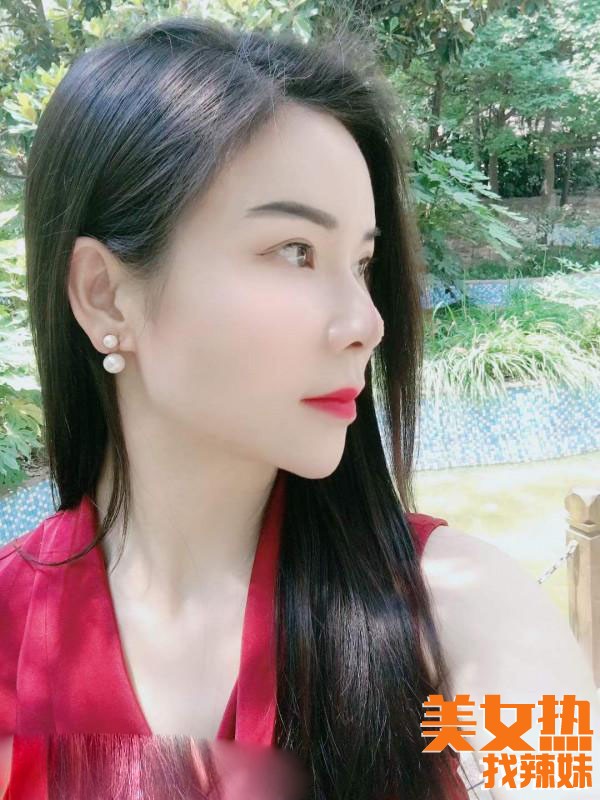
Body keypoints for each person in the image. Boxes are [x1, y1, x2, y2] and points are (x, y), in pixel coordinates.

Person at [1, 12, 599, 800]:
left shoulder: (460, 607)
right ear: (106, 296)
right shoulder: (12, 631)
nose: (368, 323)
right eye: (295, 251)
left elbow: (557, 768)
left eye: (362, 264)